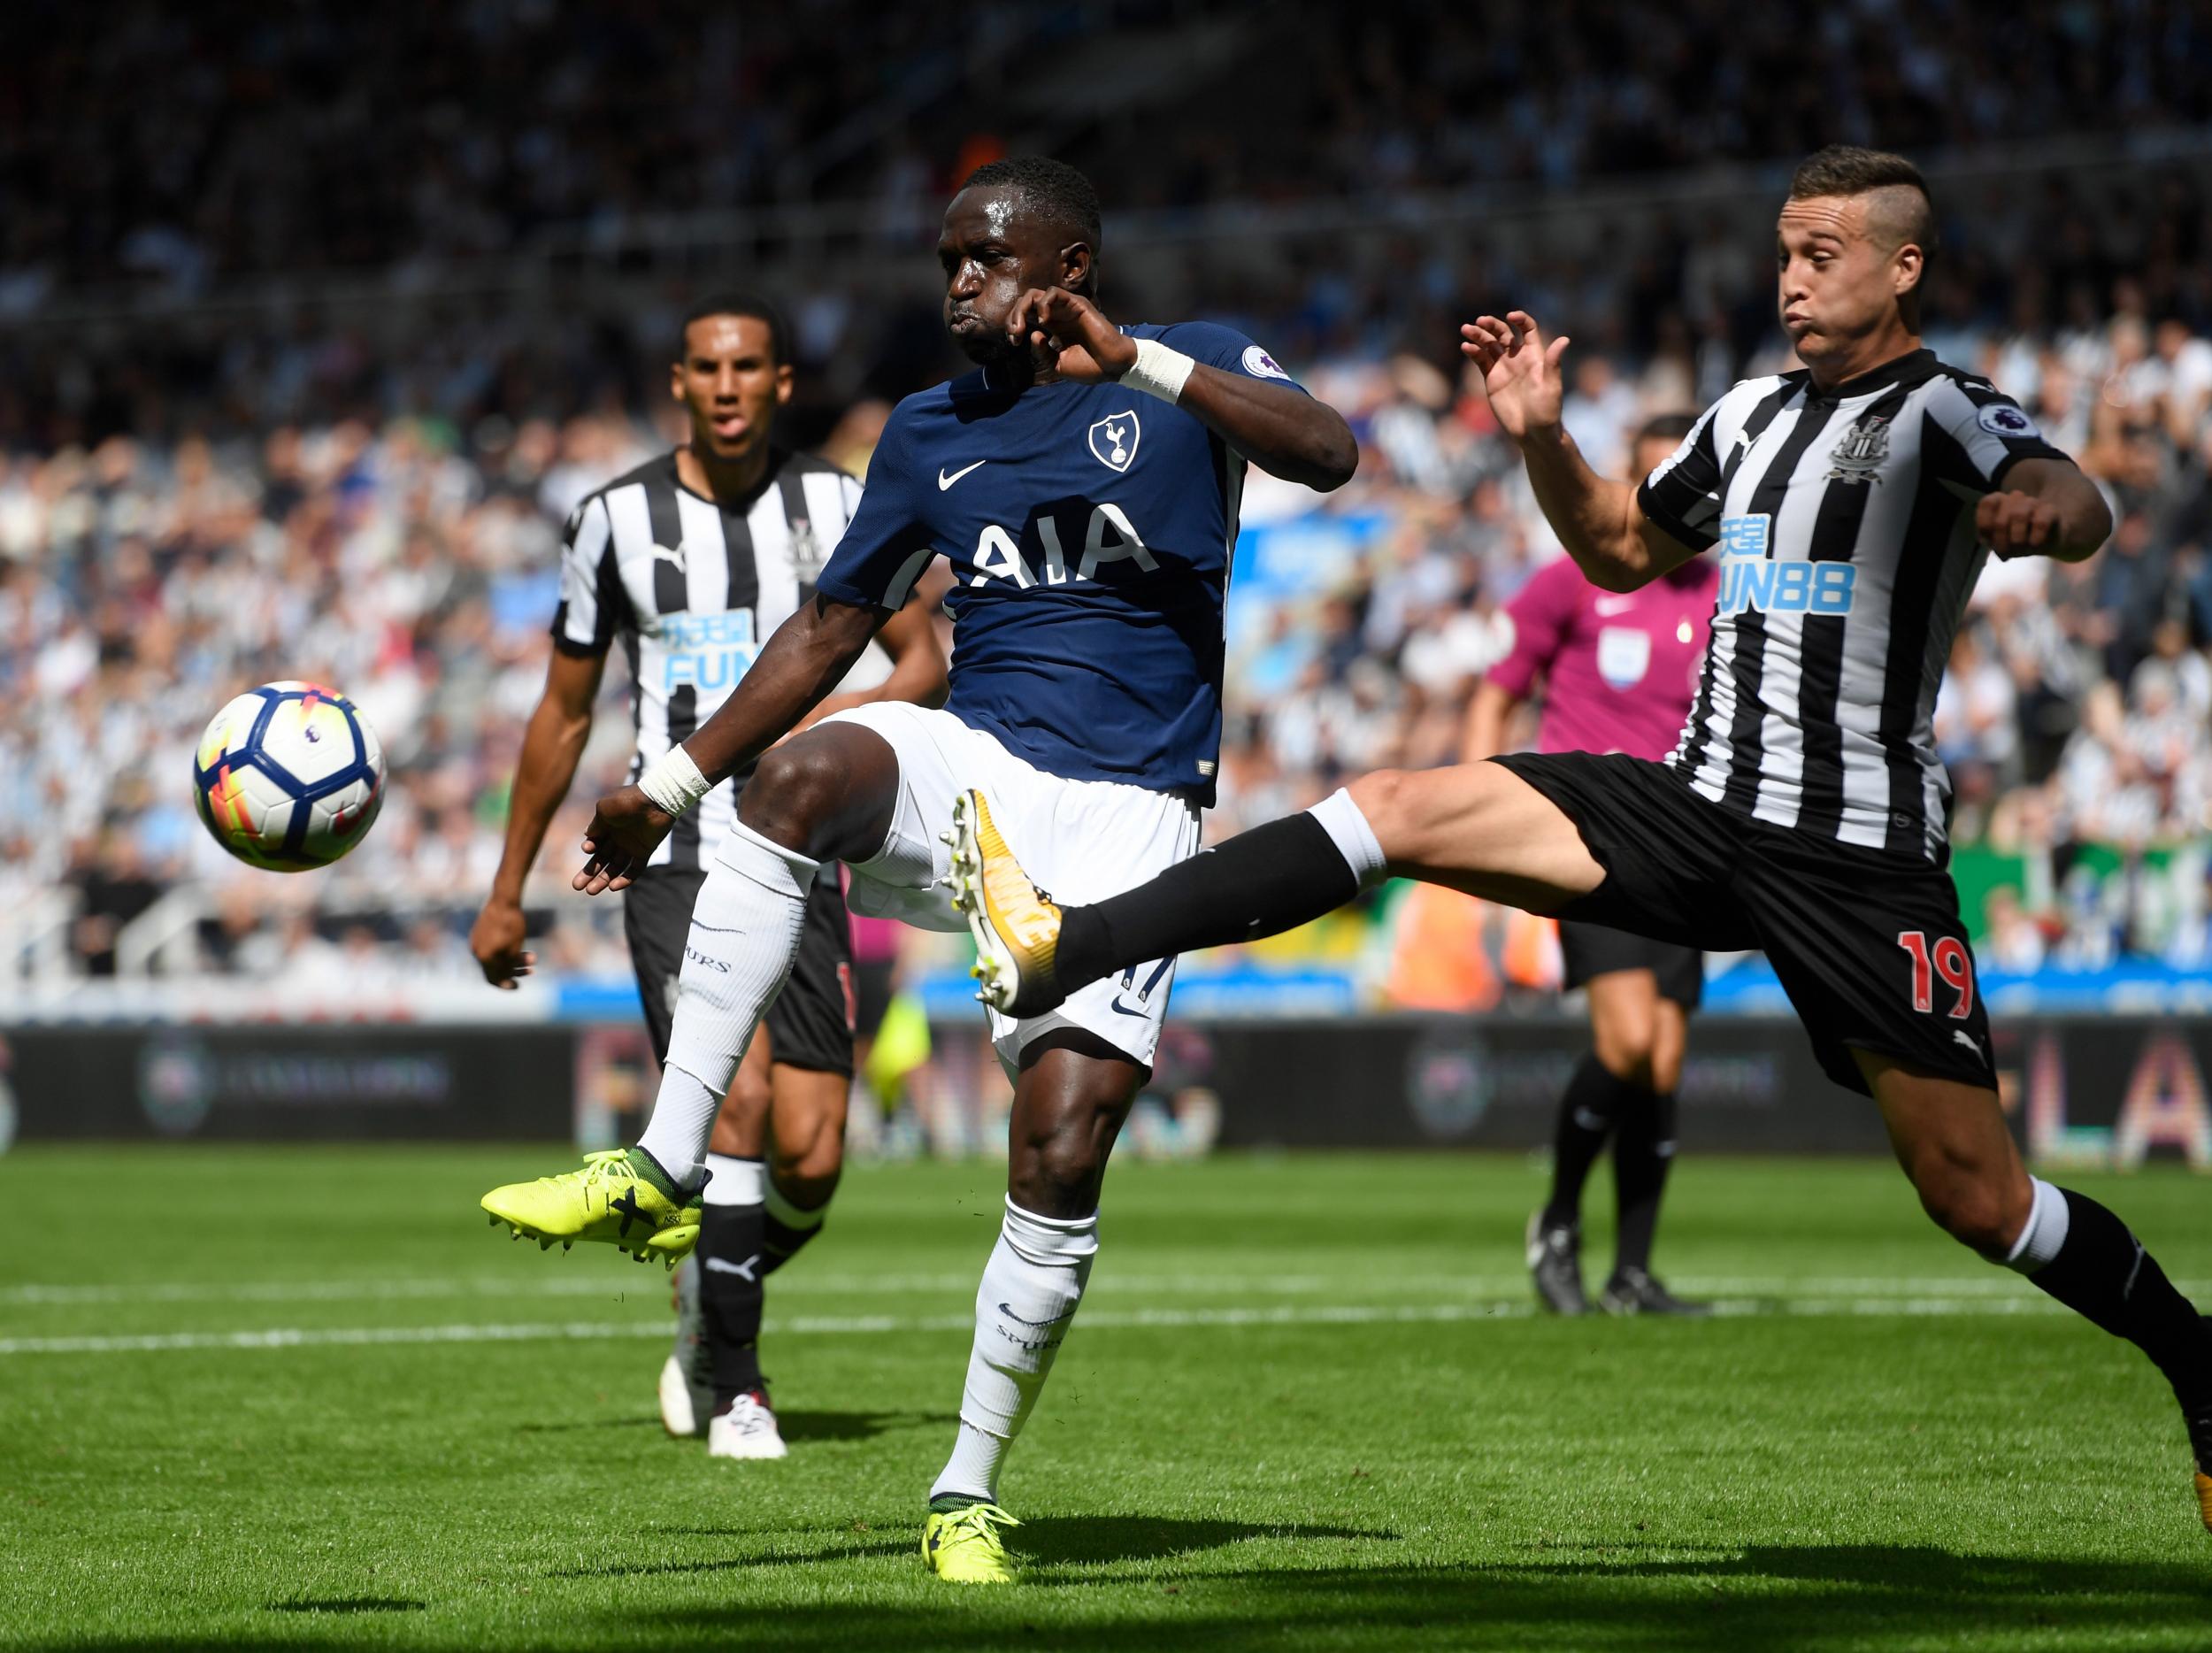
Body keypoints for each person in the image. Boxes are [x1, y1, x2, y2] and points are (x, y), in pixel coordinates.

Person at [953, 146, 2212, 1534]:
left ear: (1902, 266)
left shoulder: (1948, 413)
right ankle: (1070, 942)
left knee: (1979, 1200)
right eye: (1784, 254)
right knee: (1398, 804)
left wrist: (2055, 516)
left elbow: (2070, 491)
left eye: (1824, 256)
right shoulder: (1744, 417)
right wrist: (1543, 437)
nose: (1792, 280)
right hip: (1692, 802)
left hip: (1859, 859)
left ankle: (2200, 1364)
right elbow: (1620, 547)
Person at [480, 158, 1356, 1581]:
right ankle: (661, 1160)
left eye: (983, 257)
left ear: (1065, 270)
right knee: (802, 777)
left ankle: (964, 1489)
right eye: (946, 258)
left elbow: (1329, 452)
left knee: (1061, 1147)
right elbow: (831, 636)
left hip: (1135, 818)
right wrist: (667, 781)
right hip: (986, 776)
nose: (955, 281)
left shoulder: (1188, 365)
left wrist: (1137, 364)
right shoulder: (927, 431)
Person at [470, 293, 946, 1462]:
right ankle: (737, 1381)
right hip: (672, 856)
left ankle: (705, 1283)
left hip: (801, 849)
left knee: (815, 1150)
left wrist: (823, 730)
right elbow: (566, 710)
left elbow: (925, 659)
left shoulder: (840, 502)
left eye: (749, 367)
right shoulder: (611, 521)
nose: (727, 386)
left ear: (784, 384)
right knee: (731, 1103)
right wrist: (504, 887)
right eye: (705, 368)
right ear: (678, 383)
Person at [1462, 411, 1718, 1317]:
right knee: (1626, 1042)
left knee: (1663, 1062)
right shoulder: (1571, 580)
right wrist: (1481, 825)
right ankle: (1559, 1221)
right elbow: (1494, 698)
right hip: (1589, 836)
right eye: (1654, 484)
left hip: (1691, 847)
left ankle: (1632, 1271)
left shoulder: (1722, 596)